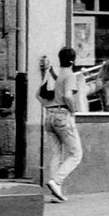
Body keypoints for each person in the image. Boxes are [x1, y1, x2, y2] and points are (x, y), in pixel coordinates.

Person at [38, 47, 82, 203]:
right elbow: (68, 96)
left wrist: (48, 106)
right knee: (76, 154)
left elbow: (38, 94)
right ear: (73, 60)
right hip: (63, 116)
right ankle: (56, 181)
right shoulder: (69, 75)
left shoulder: (52, 73)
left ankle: (55, 192)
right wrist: (73, 110)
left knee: (56, 153)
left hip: (49, 116)